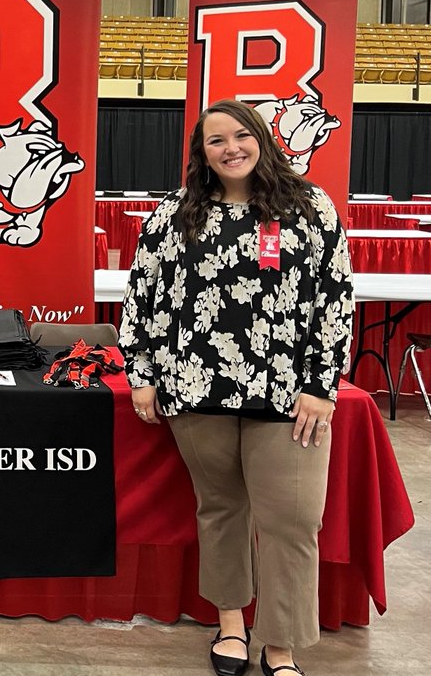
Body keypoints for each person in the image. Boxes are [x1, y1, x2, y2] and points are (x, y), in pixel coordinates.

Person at [119, 99, 353, 676]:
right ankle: (230, 626)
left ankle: (281, 643)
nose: (231, 148)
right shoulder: (175, 213)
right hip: (195, 387)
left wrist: (322, 385)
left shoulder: (310, 207)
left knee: (294, 520)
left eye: (241, 136)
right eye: (216, 140)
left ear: (263, 140)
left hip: (289, 395)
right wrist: (143, 373)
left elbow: (335, 298)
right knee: (220, 509)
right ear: (201, 152)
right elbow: (141, 296)